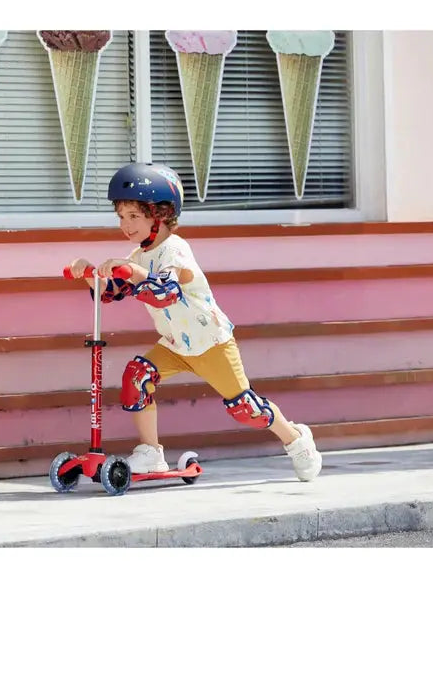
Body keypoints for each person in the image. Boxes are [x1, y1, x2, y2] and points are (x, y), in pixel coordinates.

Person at [68, 162, 323, 481]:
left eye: (134, 215)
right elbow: (110, 293)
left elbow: (165, 291)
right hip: (175, 345)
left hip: (210, 343)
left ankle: (296, 439)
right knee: (137, 377)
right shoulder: (138, 256)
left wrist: (132, 271)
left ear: (159, 214)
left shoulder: (175, 250)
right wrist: (89, 272)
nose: (126, 224)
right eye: (121, 216)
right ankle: (151, 453)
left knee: (246, 408)